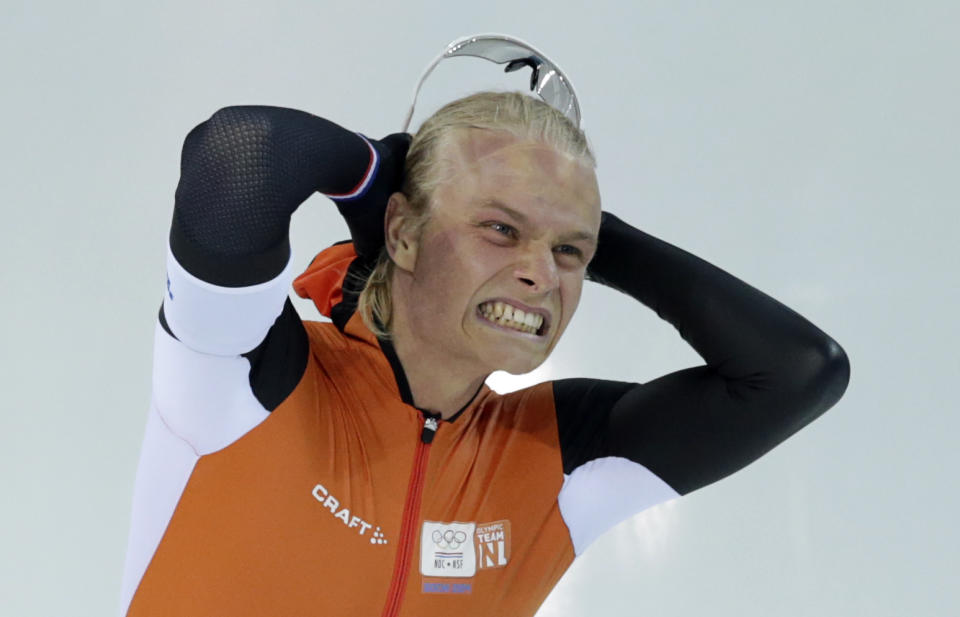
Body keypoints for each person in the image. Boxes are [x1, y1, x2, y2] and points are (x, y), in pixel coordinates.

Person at [118, 91, 850, 616]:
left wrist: (594, 229)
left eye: (570, 252)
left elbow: (799, 371)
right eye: (501, 229)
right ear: (401, 234)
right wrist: (372, 175)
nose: (543, 272)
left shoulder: (556, 459)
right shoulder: (249, 376)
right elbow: (241, 152)